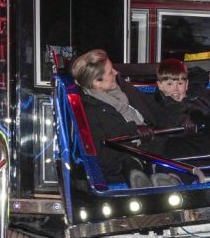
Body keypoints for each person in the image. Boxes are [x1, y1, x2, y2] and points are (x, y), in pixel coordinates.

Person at [70, 49, 176, 188]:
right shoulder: (91, 110)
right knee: (163, 150)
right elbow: (104, 150)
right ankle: (150, 173)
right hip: (126, 155)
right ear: (97, 82)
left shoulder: (123, 89)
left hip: (150, 141)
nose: (116, 72)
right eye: (110, 72)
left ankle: (160, 173)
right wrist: (135, 130)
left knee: (182, 142)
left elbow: (154, 109)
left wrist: (180, 117)